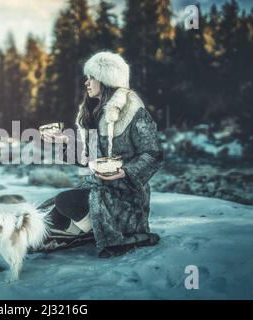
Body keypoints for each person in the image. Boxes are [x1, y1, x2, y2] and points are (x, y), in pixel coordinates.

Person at [36, 51, 164, 258]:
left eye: (92, 77)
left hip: (126, 197)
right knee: (45, 213)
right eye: (87, 77)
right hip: (97, 188)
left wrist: (124, 172)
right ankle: (72, 232)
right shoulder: (94, 113)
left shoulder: (134, 112)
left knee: (66, 200)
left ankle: (89, 231)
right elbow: (86, 160)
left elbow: (153, 154)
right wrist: (64, 142)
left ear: (107, 80)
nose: (87, 83)